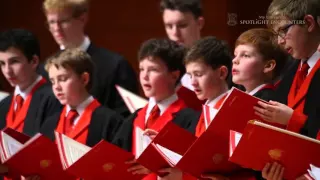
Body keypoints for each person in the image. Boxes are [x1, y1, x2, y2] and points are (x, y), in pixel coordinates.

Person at [112, 39, 200, 180]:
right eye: (141, 69)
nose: (144, 76)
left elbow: (195, 168)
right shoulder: (134, 118)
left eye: (153, 69)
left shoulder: (190, 118)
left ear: (174, 75)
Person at [256, 0, 320, 179]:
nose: (280, 41)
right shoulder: (289, 71)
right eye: (277, 34)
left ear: (308, 23)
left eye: (284, 30)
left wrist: (293, 120)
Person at [42, 0, 139, 117]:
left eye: (63, 21)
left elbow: (126, 118)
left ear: (82, 19)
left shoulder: (115, 65)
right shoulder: (44, 70)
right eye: (51, 22)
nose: (56, 28)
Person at [0, 29, 62, 180]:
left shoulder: (53, 98)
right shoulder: (4, 104)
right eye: (2, 63)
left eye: (14, 61)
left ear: (34, 61)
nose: (7, 71)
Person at [40, 48, 123, 147]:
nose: (56, 87)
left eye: (62, 79)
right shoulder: (49, 124)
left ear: (84, 79)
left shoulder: (110, 121)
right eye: (53, 81)